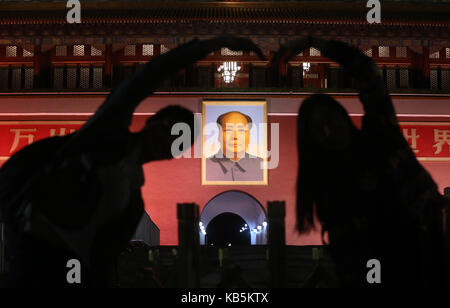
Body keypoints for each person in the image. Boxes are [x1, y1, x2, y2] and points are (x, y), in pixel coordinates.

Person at [0, 36, 265, 287]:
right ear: (153, 123)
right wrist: (209, 46)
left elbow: (104, 257)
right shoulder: (106, 132)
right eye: (171, 131)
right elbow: (144, 79)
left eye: (180, 144)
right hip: (30, 250)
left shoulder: (133, 203)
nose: (170, 143)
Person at [272, 36, 449, 287]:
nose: (328, 130)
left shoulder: (382, 137)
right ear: (311, 142)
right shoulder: (329, 188)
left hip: (433, 259)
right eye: (318, 129)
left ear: (343, 116)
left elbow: (368, 74)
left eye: (330, 119)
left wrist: (316, 43)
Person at [205, 111, 264, 182]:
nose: (235, 136)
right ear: (219, 136)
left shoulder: (263, 166)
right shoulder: (204, 167)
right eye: (228, 130)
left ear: (249, 137)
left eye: (241, 130)